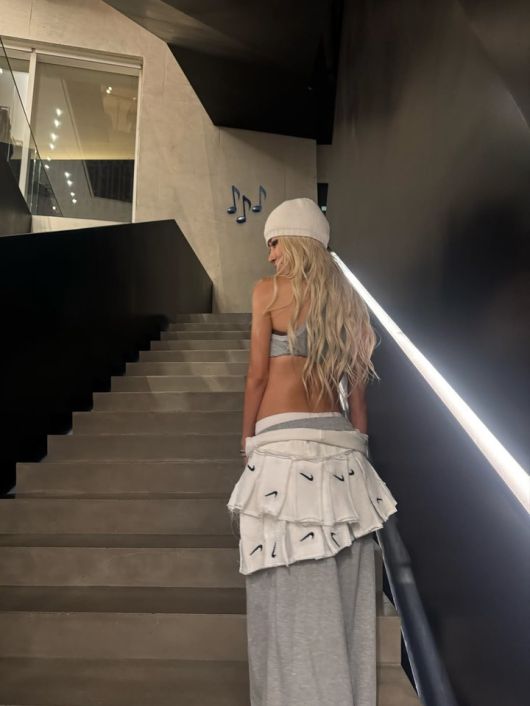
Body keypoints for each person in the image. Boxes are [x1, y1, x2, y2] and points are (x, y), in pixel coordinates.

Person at [227, 197, 398, 706]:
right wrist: (359, 455)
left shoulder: (268, 292)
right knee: (342, 586)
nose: (270, 255)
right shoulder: (349, 304)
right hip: (340, 447)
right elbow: (358, 398)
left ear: (296, 242)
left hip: (281, 448)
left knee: (283, 582)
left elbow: (257, 376)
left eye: (274, 243)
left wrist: (246, 439)